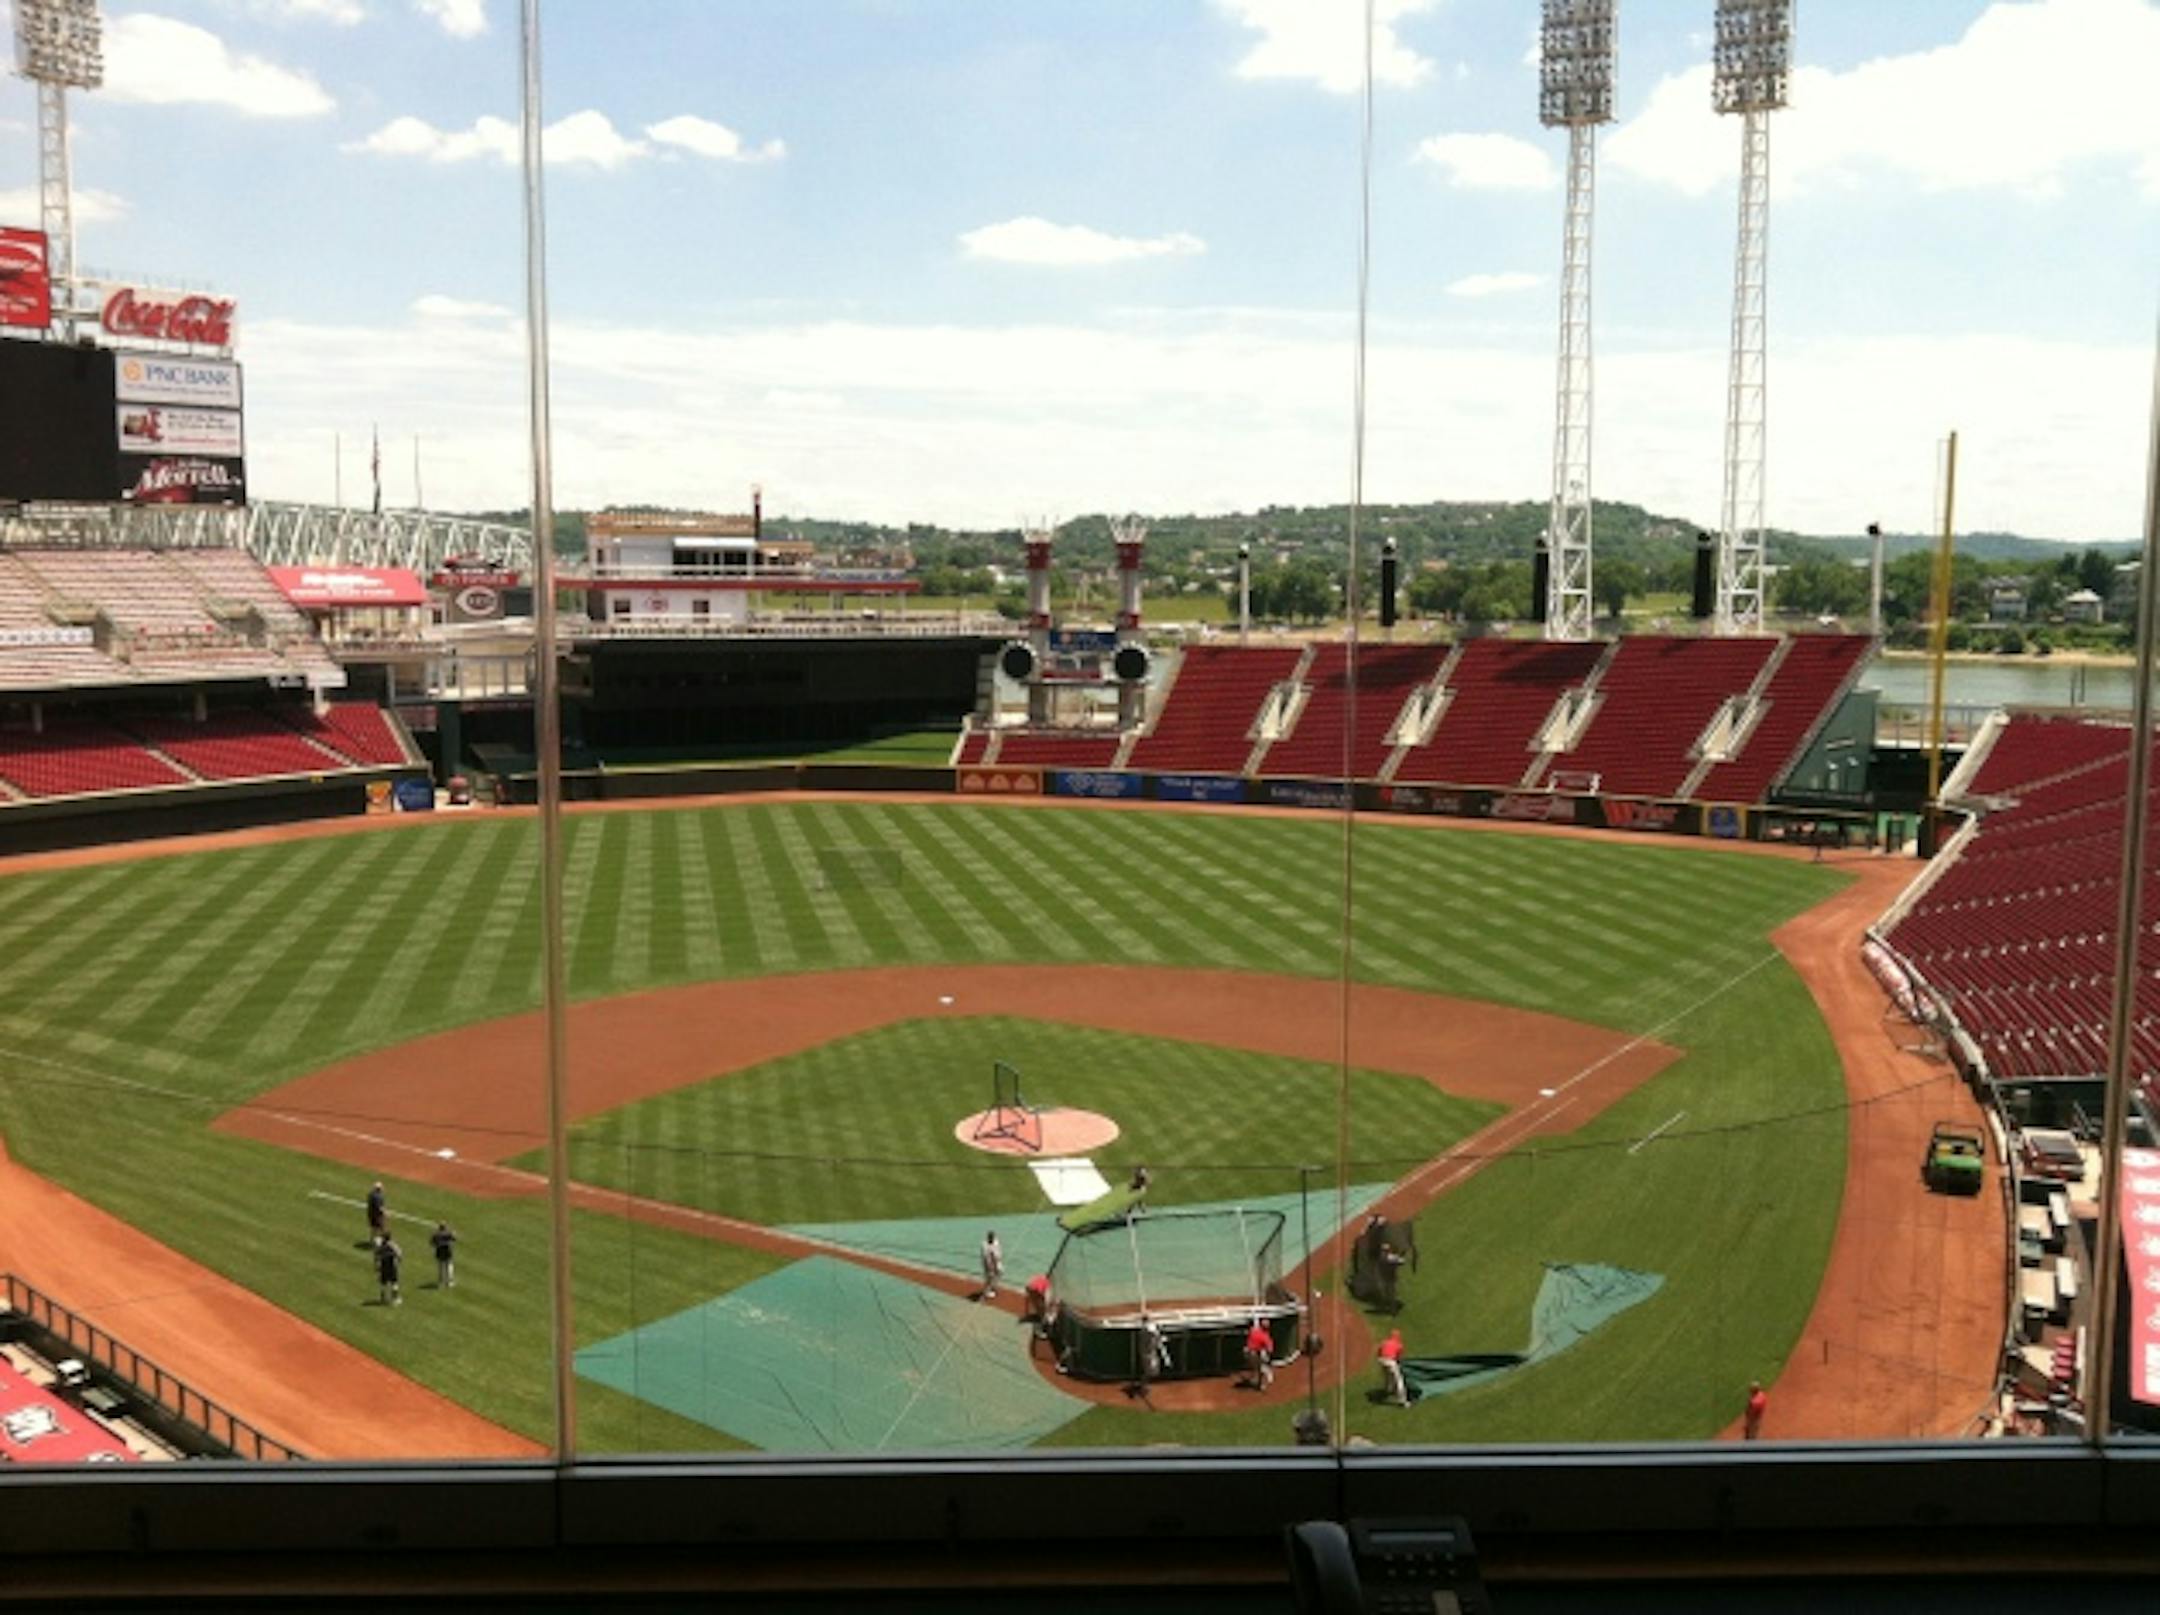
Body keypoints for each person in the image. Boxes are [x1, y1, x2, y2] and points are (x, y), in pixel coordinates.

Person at [1377, 1326, 1408, 1408]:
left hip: (1381, 1360)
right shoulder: (1399, 1345)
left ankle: (1388, 1390)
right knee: (1399, 1381)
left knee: (1387, 1376)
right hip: (1390, 1361)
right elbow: (1399, 1357)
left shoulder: (1384, 1342)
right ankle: (1403, 1401)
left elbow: (1379, 1351)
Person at [1244, 1316, 1274, 1391]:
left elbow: (1250, 1330)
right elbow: (1270, 1350)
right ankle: (1262, 1382)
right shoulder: (1265, 1337)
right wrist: (1267, 1358)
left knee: (1256, 1367)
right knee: (1261, 1367)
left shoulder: (1254, 1330)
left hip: (1248, 1353)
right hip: (1254, 1353)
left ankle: (1257, 1379)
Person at [1377, 1241, 1407, 1314]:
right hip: (1388, 1277)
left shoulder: (1383, 1256)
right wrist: (1400, 1257)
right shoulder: (1389, 1257)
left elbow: (1400, 1261)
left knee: (1388, 1293)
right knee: (1390, 1293)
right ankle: (1391, 1308)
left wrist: (1398, 1257)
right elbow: (1402, 1261)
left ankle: (1391, 1308)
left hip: (1386, 1277)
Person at [375, 1232, 403, 1306]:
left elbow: (377, 1258)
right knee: (394, 1282)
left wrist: (378, 1269)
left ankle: (382, 1299)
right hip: (391, 1267)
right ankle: (395, 1299)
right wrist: (399, 1260)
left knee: (383, 1283)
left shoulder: (380, 1247)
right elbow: (399, 1254)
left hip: (383, 1267)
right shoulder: (392, 1246)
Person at [430, 1222, 458, 1289]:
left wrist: (437, 1245)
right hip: (447, 1251)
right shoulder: (448, 1233)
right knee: (449, 1266)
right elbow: (454, 1239)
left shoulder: (436, 1235)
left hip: (439, 1252)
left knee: (441, 1267)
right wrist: (454, 1234)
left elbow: (432, 1243)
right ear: (445, 1227)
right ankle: (449, 1282)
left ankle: (440, 1282)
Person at [979, 1230, 1003, 1300]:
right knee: (989, 1278)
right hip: (988, 1264)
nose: (991, 1238)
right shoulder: (984, 1245)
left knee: (999, 1274)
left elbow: (998, 1252)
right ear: (988, 1237)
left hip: (997, 1262)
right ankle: (987, 1292)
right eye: (990, 1237)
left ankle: (993, 1288)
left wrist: (997, 1262)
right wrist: (991, 1266)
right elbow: (986, 1257)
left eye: (992, 1237)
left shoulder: (996, 1242)